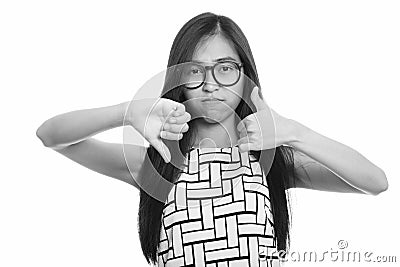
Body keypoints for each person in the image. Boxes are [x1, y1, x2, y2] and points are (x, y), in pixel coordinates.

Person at [36, 12, 388, 267]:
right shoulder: (156, 163)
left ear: (245, 75)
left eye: (225, 68)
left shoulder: (269, 160)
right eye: (194, 70)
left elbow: (374, 182)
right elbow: (51, 135)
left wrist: (295, 132)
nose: (210, 84)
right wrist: (126, 112)